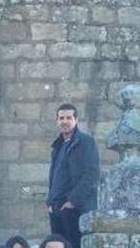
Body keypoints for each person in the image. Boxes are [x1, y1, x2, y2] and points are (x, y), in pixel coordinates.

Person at [46, 104, 99, 248]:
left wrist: (72, 202)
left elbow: (91, 174)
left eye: (69, 118)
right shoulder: (58, 145)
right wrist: (49, 203)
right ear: (57, 121)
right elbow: (54, 176)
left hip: (75, 209)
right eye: (61, 118)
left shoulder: (86, 142)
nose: (64, 121)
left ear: (76, 120)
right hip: (56, 209)